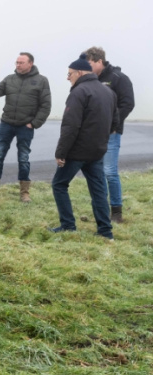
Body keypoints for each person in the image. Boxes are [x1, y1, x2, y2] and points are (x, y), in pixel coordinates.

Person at [50, 56, 118, 240]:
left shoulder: (78, 92)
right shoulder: (108, 92)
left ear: (79, 73)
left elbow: (70, 126)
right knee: (99, 191)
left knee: (59, 184)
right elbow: (115, 122)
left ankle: (68, 225)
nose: (67, 78)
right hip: (97, 152)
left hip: (77, 152)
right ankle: (105, 231)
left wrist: (61, 152)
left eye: (69, 74)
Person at [0, 52, 51, 202]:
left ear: (30, 64)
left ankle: (24, 193)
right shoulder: (10, 79)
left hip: (25, 126)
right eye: (16, 62)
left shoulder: (41, 81)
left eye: (21, 63)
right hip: (6, 124)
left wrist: (33, 124)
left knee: (23, 158)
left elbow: (46, 106)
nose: (18, 65)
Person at [84, 47, 135, 223]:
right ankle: (101, 212)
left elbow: (127, 104)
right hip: (92, 134)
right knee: (96, 172)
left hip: (111, 133)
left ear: (99, 61)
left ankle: (116, 213)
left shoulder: (119, 78)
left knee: (109, 172)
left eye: (89, 63)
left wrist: (112, 124)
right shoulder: (89, 80)